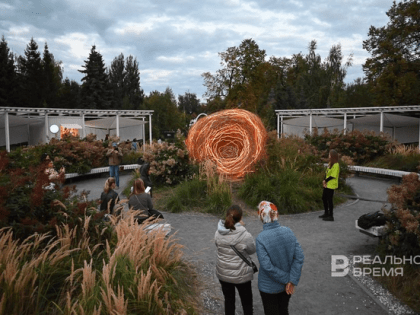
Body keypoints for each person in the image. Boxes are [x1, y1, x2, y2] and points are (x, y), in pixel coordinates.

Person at [256, 201, 304, 315]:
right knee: (283, 310)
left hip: (268, 287)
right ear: (276, 214)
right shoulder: (288, 231)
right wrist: (291, 280)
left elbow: (267, 266)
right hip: (286, 287)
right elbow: (299, 257)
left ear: (261, 216)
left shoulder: (261, 238)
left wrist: (287, 279)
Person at [215, 205, 256, 315]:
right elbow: (252, 250)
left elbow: (217, 245)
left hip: (223, 274)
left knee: (229, 301)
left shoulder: (218, 232)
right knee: (247, 303)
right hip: (242, 275)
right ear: (241, 218)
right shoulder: (245, 235)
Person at [319, 149, 340, 221]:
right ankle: (326, 213)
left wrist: (325, 180)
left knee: (329, 199)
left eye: (330, 155)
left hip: (331, 184)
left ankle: (331, 216)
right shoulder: (330, 163)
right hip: (327, 184)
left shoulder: (336, 165)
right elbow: (327, 173)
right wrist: (324, 181)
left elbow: (333, 175)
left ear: (333, 156)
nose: (329, 156)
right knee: (324, 198)